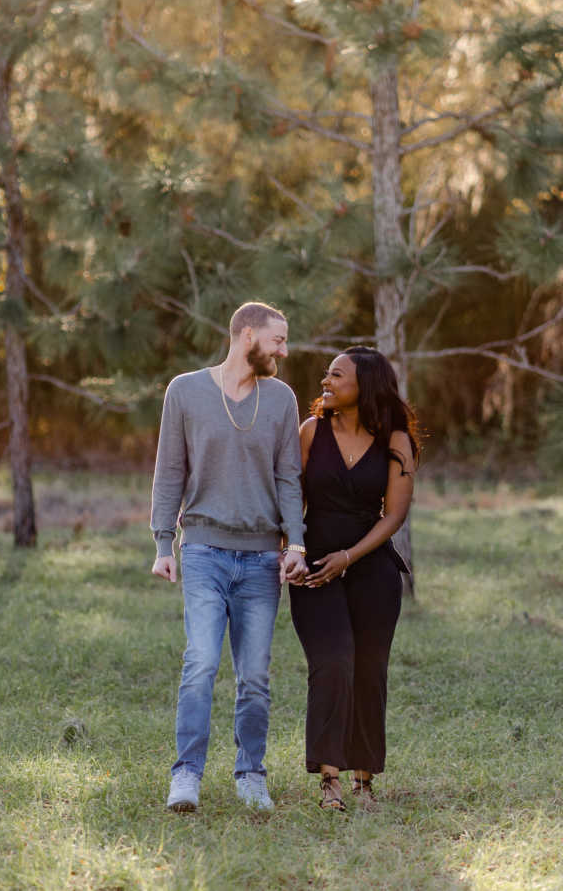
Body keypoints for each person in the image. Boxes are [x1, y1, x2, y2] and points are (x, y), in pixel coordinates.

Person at [151, 301, 309, 813]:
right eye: (278, 340)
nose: (284, 350)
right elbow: (169, 471)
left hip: (262, 560)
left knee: (255, 677)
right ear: (246, 336)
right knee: (199, 663)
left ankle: (250, 774)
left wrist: (297, 543)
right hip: (202, 552)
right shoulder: (185, 391)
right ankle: (187, 776)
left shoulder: (282, 400)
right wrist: (162, 543)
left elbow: (289, 478)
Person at [288, 345, 419, 812]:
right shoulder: (310, 433)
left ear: (365, 385)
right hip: (315, 571)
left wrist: (350, 555)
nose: (326, 381)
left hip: (372, 570)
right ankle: (330, 781)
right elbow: (291, 502)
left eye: (337, 376)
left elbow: (393, 516)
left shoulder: (395, 440)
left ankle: (364, 782)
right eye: (327, 374)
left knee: (369, 669)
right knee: (332, 662)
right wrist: (294, 552)